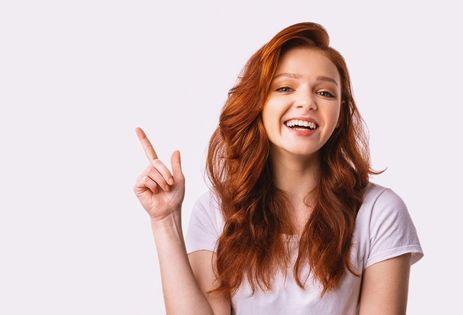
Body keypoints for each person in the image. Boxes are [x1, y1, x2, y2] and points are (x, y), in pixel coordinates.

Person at [133, 22, 423, 315]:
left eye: (325, 93)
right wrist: (165, 221)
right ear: (258, 103)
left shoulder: (380, 211)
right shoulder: (215, 211)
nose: (307, 102)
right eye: (285, 87)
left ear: (340, 113)